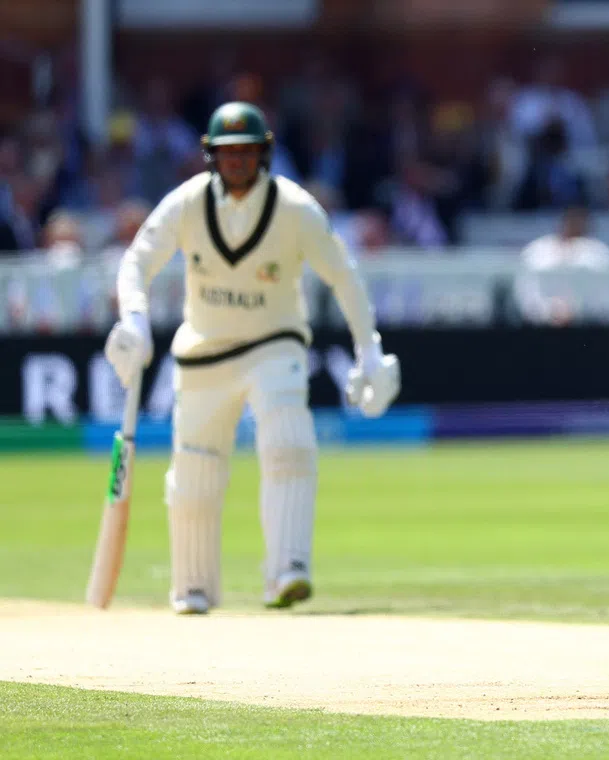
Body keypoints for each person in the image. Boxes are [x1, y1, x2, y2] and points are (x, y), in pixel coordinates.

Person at [103, 102, 401, 615]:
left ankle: (288, 570)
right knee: (195, 471)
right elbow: (137, 261)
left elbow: (344, 275)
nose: (237, 162)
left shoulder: (296, 208)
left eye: (245, 152)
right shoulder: (188, 203)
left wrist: (368, 348)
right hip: (204, 351)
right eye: (226, 153)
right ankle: (193, 587)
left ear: (264, 153)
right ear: (210, 157)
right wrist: (133, 317)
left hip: (274, 343)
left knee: (288, 441)